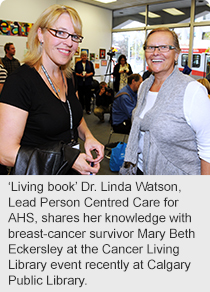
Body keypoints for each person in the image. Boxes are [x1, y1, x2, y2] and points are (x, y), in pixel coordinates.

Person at [0, 4, 104, 175]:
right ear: (40, 34)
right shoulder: (20, 81)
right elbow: (5, 153)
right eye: (61, 32)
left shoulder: (69, 77)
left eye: (75, 36)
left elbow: (74, 116)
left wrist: (88, 136)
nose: (69, 42)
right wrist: (66, 158)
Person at [120, 27, 210, 175]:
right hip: (140, 169)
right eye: (151, 47)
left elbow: (208, 148)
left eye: (164, 47)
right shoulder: (144, 86)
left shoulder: (192, 91)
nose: (156, 52)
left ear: (176, 54)